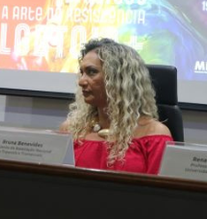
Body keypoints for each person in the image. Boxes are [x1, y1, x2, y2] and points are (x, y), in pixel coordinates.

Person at [60, 38, 173, 175]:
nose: (82, 81)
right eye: (82, 73)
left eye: (91, 72)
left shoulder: (154, 134)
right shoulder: (70, 130)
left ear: (118, 79)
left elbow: (161, 193)